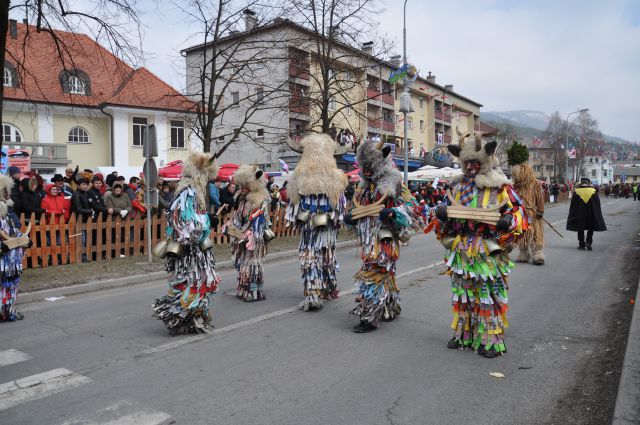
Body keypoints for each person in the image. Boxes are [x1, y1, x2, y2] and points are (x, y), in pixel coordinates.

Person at [432, 129, 527, 358]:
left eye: (476, 162)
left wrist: (509, 221)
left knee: (488, 293)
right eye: (468, 163)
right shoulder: (456, 187)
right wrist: (441, 214)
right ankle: (464, 334)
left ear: (485, 160)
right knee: (463, 293)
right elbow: (438, 218)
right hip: (462, 249)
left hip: (488, 249)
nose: (471, 167)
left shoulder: (499, 187)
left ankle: (491, 340)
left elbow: (520, 214)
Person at [344, 138, 423, 333]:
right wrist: (351, 218)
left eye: (371, 165)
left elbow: (416, 211)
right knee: (383, 273)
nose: (367, 169)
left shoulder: (394, 184)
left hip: (384, 238)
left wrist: (394, 213)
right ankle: (390, 306)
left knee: (374, 273)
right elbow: (357, 210)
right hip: (368, 239)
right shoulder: (362, 188)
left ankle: (369, 317)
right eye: (364, 165)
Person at [152, 151, 221, 334]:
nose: (207, 180)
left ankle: (191, 318)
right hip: (190, 251)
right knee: (194, 281)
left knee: (199, 281)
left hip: (195, 251)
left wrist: (206, 217)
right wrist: (208, 220)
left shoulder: (192, 192)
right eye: (207, 176)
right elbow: (185, 225)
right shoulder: (188, 192)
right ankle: (180, 316)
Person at [285, 134, 348, 311]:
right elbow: (340, 207)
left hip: (311, 227)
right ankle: (324, 290)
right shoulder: (336, 178)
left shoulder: (300, 176)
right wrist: (337, 219)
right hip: (324, 226)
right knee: (325, 255)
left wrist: (294, 219)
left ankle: (316, 293)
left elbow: (294, 204)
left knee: (313, 257)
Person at [225, 164, 271, 302]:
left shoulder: (260, 200)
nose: (242, 188)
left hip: (254, 237)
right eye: (241, 185)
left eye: (246, 185)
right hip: (243, 237)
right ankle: (243, 289)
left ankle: (253, 291)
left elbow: (259, 221)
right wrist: (232, 227)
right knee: (243, 263)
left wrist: (248, 234)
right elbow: (239, 218)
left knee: (252, 264)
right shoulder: (242, 199)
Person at [507, 141, 546, 265]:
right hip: (520, 215)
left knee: (535, 235)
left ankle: (537, 254)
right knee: (522, 235)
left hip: (533, 214)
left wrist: (540, 210)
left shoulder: (533, 184)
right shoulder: (515, 187)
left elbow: (539, 197)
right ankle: (524, 253)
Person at [0, 174, 28, 321]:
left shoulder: (7, 214)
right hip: (2, 258)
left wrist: (25, 239)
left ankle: (7, 311)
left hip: (10, 259)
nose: (8, 194)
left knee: (10, 286)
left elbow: (13, 231)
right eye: (5, 191)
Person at [566, 177, 607, 250]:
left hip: (580, 214)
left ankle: (581, 244)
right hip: (591, 214)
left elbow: (573, 204)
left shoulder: (577, 191)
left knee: (580, 228)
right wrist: (597, 213)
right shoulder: (593, 191)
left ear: (581, 183)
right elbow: (597, 204)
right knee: (590, 228)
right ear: (588, 183)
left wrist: (573, 214)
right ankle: (588, 242)